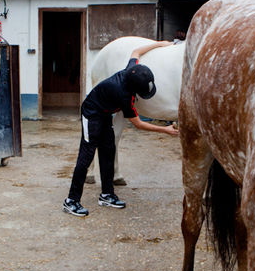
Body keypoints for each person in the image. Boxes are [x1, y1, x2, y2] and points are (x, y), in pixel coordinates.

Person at [63, 41, 179, 217]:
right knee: (86, 157)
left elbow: (136, 50)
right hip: (91, 114)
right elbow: (138, 124)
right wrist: (166, 130)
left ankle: (107, 194)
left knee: (108, 152)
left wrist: (159, 43)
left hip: (104, 114)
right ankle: (71, 201)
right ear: (134, 90)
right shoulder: (124, 96)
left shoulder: (131, 70)